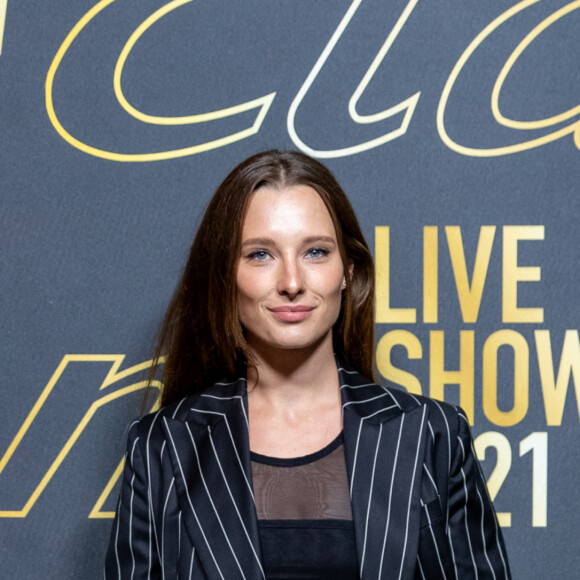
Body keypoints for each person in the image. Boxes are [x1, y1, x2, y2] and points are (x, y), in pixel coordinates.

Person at [104, 150, 511, 579]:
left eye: (315, 252)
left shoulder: (432, 435)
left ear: (348, 272)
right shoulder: (164, 446)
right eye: (261, 255)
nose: (292, 283)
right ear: (226, 276)